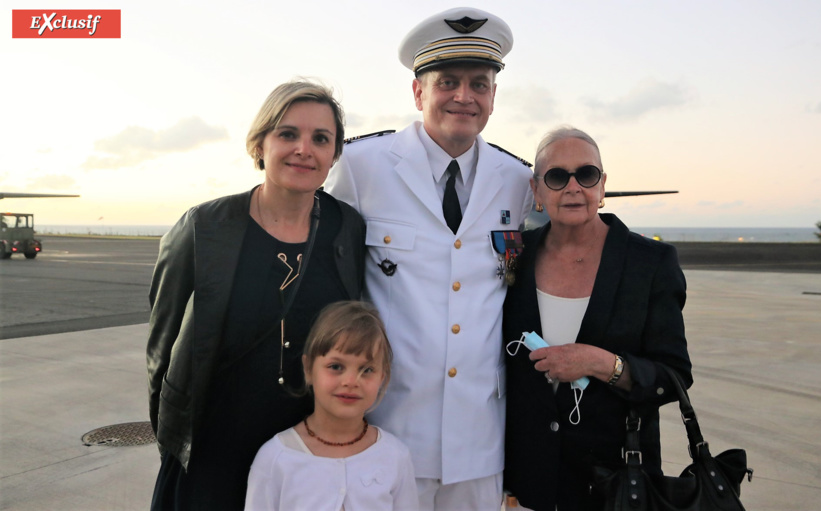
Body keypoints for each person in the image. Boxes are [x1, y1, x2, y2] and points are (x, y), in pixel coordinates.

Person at [324, 7, 534, 510]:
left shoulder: (517, 180)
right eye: (448, 82)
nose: (464, 96)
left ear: (493, 97)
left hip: (481, 442)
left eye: (479, 84)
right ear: (418, 92)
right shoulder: (360, 166)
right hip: (386, 428)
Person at [146, 80, 366, 510]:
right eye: (288, 134)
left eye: (321, 139)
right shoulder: (203, 228)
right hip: (213, 457)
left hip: (305, 457)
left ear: (334, 155)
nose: (304, 149)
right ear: (260, 143)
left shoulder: (348, 229)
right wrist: (174, 437)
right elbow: (162, 346)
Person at [502, 126, 693, 511]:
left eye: (586, 174)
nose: (573, 187)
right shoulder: (514, 257)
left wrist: (601, 363)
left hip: (615, 484)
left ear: (601, 185)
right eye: (557, 177)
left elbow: (674, 376)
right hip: (526, 481)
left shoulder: (651, 263)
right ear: (536, 191)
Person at [245, 300, 419, 510]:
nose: (351, 381)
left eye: (367, 370)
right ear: (308, 368)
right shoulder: (276, 458)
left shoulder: (395, 456)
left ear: (383, 376)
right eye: (336, 366)